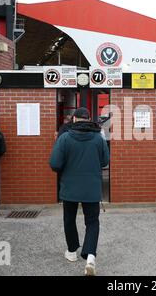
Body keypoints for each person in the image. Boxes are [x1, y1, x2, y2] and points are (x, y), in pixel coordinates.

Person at [49, 107, 109, 276]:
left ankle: (72, 252)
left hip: (70, 187)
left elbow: (55, 163)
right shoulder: (98, 138)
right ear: (89, 119)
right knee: (92, 221)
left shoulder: (65, 138)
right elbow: (105, 161)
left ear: (74, 119)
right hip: (92, 187)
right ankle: (90, 257)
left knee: (69, 219)